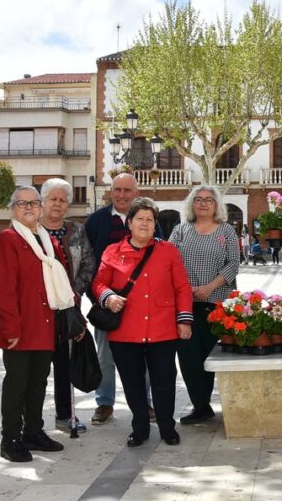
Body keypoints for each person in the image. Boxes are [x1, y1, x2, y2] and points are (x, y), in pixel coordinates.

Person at [92, 197, 194, 447]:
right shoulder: (112, 251)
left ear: (155, 225)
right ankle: (139, 428)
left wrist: (184, 320)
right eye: (140, 219)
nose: (145, 224)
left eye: (150, 220)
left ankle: (167, 427)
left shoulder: (168, 251)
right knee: (133, 382)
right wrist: (109, 297)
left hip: (163, 329)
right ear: (129, 222)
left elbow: (182, 287)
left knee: (164, 380)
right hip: (126, 331)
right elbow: (98, 283)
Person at [0, 186, 76, 462]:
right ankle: (11, 439)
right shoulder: (8, 239)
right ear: (12, 209)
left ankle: (33, 432)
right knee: (17, 384)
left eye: (34, 203)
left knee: (38, 382)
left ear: (40, 208)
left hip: (45, 323)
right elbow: (4, 289)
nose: (29, 207)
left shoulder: (45, 239)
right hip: (20, 325)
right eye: (22, 203)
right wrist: (10, 328)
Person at [84, 173, 160, 425]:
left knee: (145, 357)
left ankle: (144, 402)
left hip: (143, 304)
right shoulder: (96, 221)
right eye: (117, 189)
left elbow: (158, 256)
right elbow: (89, 262)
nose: (122, 194)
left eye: (128, 190)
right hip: (106, 303)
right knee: (105, 357)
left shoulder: (149, 219)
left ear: (135, 193)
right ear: (110, 191)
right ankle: (104, 403)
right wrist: (99, 296)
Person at [168, 186, 239, 425]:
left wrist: (210, 286)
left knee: (208, 357)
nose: (203, 203)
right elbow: (169, 261)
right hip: (184, 305)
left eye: (209, 200)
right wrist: (184, 288)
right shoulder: (180, 230)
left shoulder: (227, 231)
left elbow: (234, 264)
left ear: (216, 205)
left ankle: (204, 404)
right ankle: (200, 405)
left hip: (214, 303)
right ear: (191, 204)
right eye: (198, 200)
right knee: (188, 357)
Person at [41, 178, 95, 433]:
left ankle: (66, 416)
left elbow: (88, 264)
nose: (58, 204)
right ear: (42, 201)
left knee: (65, 364)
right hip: (38, 311)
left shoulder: (77, 231)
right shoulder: (29, 231)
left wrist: (74, 293)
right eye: (53, 198)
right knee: (36, 368)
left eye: (62, 200)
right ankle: (31, 421)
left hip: (68, 310)